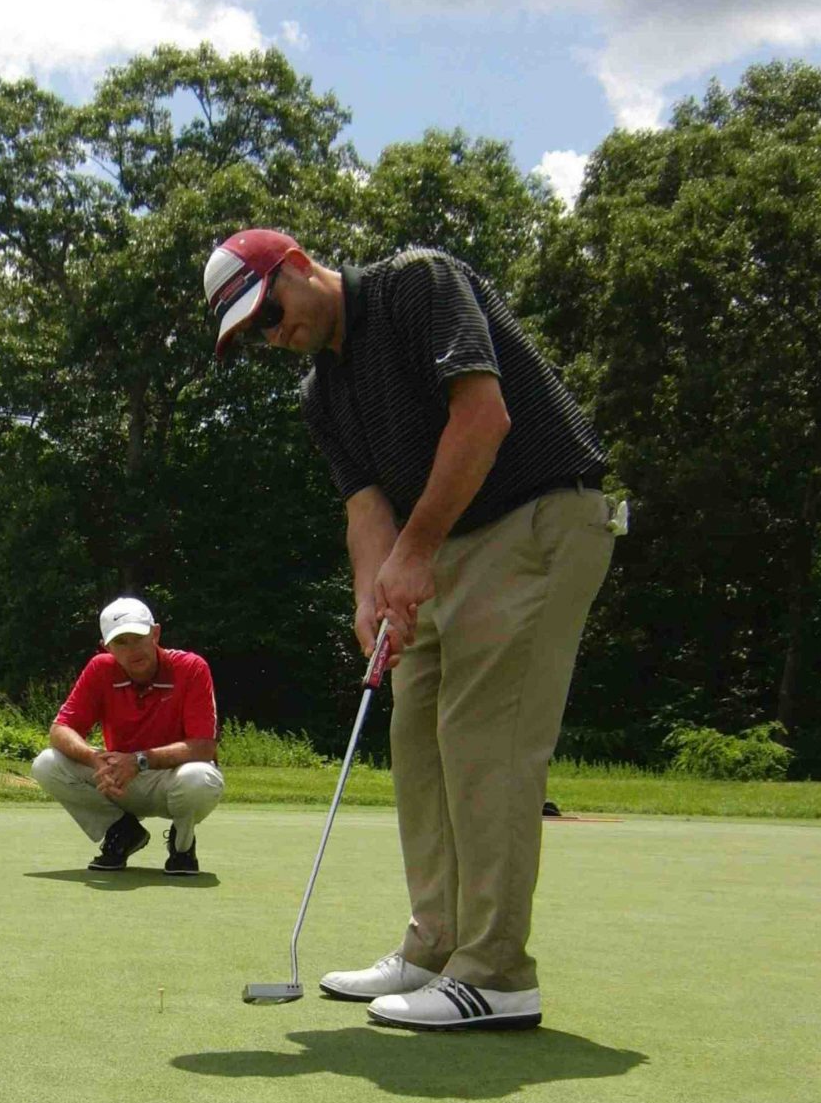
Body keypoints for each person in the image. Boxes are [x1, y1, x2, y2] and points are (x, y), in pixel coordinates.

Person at [204, 228, 621, 1029]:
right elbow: (367, 507)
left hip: (535, 517)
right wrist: (372, 590)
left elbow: (483, 416)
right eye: (254, 334)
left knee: (481, 738)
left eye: (269, 313)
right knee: (418, 737)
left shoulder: (415, 285)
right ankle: (436, 943)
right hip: (444, 543)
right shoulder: (321, 395)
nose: (273, 335)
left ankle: (495, 973)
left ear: (294, 265)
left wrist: (415, 550)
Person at [30, 597, 223, 876]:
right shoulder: (100, 669)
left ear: (155, 633)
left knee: (198, 778)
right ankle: (122, 832)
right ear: (106, 647)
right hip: (121, 781)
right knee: (47, 763)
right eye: (121, 642)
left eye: (139, 637)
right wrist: (95, 759)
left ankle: (182, 845)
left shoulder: (191, 668)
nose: (132, 649)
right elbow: (60, 729)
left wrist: (139, 760)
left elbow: (204, 746)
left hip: (172, 778)